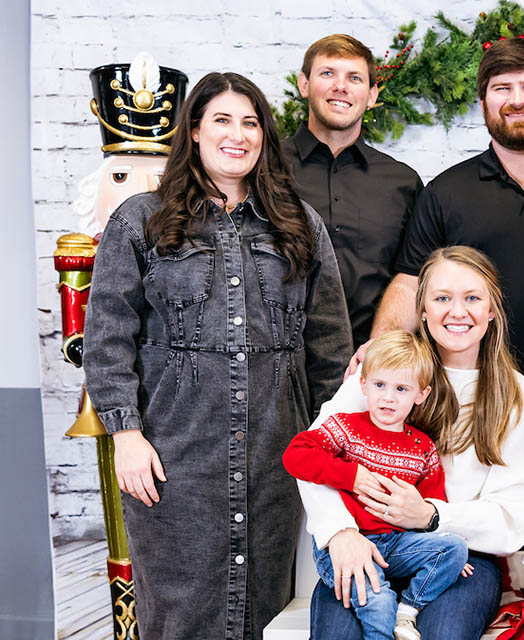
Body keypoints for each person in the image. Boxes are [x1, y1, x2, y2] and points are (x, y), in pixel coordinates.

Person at [82, 72, 353, 640]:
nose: (238, 135)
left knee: (271, 611)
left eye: (251, 122)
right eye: (223, 120)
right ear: (196, 132)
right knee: (179, 614)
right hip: (172, 460)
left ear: (264, 138)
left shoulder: (301, 226)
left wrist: (335, 451)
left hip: (277, 458)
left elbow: (330, 349)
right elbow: (108, 336)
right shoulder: (141, 219)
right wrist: (124, 435)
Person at [300, 246, 524, 640]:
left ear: (492, 310)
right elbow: (309, 455)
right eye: (442, 298)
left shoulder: (515, 394)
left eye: (472, 298)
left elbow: (512, 517)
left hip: (460, 556)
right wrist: (340, 534)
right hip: (365, 543)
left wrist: (431, 517)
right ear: (424, 309)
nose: (457, 312)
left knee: (442, 635)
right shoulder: (384, 371)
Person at [371, 37, 524, 411]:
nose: (517, 100)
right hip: (477, 396)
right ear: (483, 103)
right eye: (502, 88)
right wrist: (382, 351)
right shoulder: (444, 192)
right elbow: (411, 279)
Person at [284, 330, 470, 640]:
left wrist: (441, 551)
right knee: (379, 601)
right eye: (380, 385)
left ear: (420, 395)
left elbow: (432, 499)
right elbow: (295, 456)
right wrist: (350, 476)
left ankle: (407, 612)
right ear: (363, 385)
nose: (388, 397)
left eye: (401, 388)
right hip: (346, 549)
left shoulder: (422, 447)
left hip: (395, 546)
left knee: (455, 549)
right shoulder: (345, 427)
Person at [284, 34, 423, 349]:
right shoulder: (264, 169)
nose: (341, 86)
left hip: (372, 370)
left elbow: (415, 279)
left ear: (372, 95)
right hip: (275, 368)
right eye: (328, 73)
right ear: (303, 85)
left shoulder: (403, 183)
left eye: (354, 78)